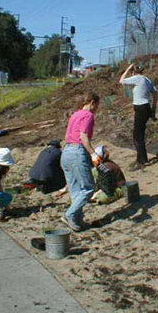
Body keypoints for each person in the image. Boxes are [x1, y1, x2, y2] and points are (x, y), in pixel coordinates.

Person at [61, 92, 101, 232]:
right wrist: (93, 154)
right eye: (97, 105)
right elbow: (83, 136)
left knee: (75, 190)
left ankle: (77, 219)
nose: (97, 108)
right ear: (92, 103)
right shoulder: (88, 115)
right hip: (77, 152)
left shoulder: (75, 114)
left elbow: (67, 135)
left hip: (66, 151)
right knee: (89, 187)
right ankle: (69, 215)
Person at [119, 63, 158, 171]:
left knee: (137, 136)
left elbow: (121, 80)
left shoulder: (136, 78)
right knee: (140, 134)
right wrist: (153, 110)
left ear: (134, 72)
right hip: (147, 107)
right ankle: (142, 158)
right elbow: (155, 93)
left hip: (140, 108)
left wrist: (127, 68)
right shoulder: (147, 80)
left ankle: (141, 162)